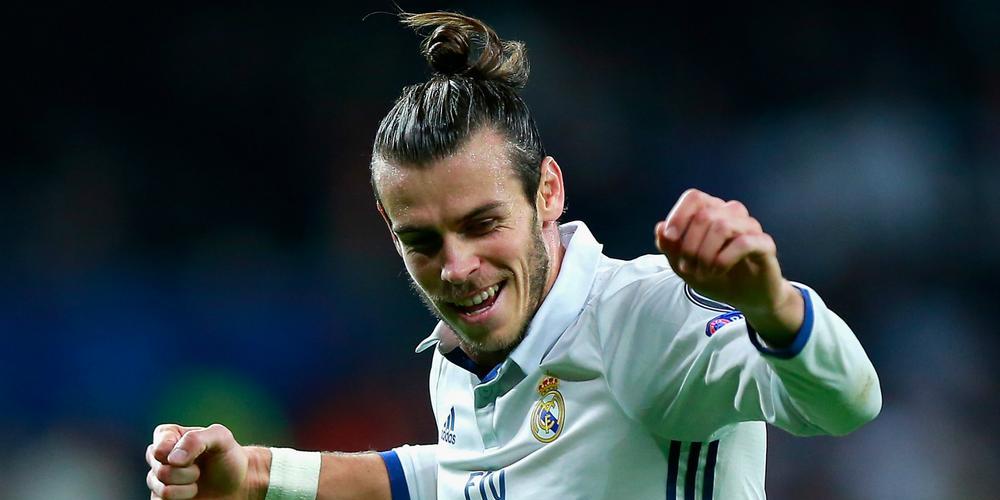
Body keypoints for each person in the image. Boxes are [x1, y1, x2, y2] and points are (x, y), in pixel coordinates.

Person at [145, 11, 881, 500]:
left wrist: (770, 304)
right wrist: (256, 475)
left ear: (547, 192)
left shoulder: (643, 318)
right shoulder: (464, 351)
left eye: (482, 224)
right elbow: (465, 478)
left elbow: (848, 403)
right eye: (422, 241)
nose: (457, 268)